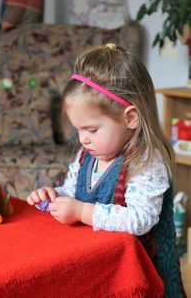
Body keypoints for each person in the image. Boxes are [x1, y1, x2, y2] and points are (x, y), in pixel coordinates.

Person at [26, 44, 186, 297]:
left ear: (130, 118)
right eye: (77, 129)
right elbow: (73, 190)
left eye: (91, 130)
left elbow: (140, 219)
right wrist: (54, 195)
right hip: (101, 266)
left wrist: (81, 211)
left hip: (140, 274)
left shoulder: (146, 161)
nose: (83, 139)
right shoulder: (86, 155)